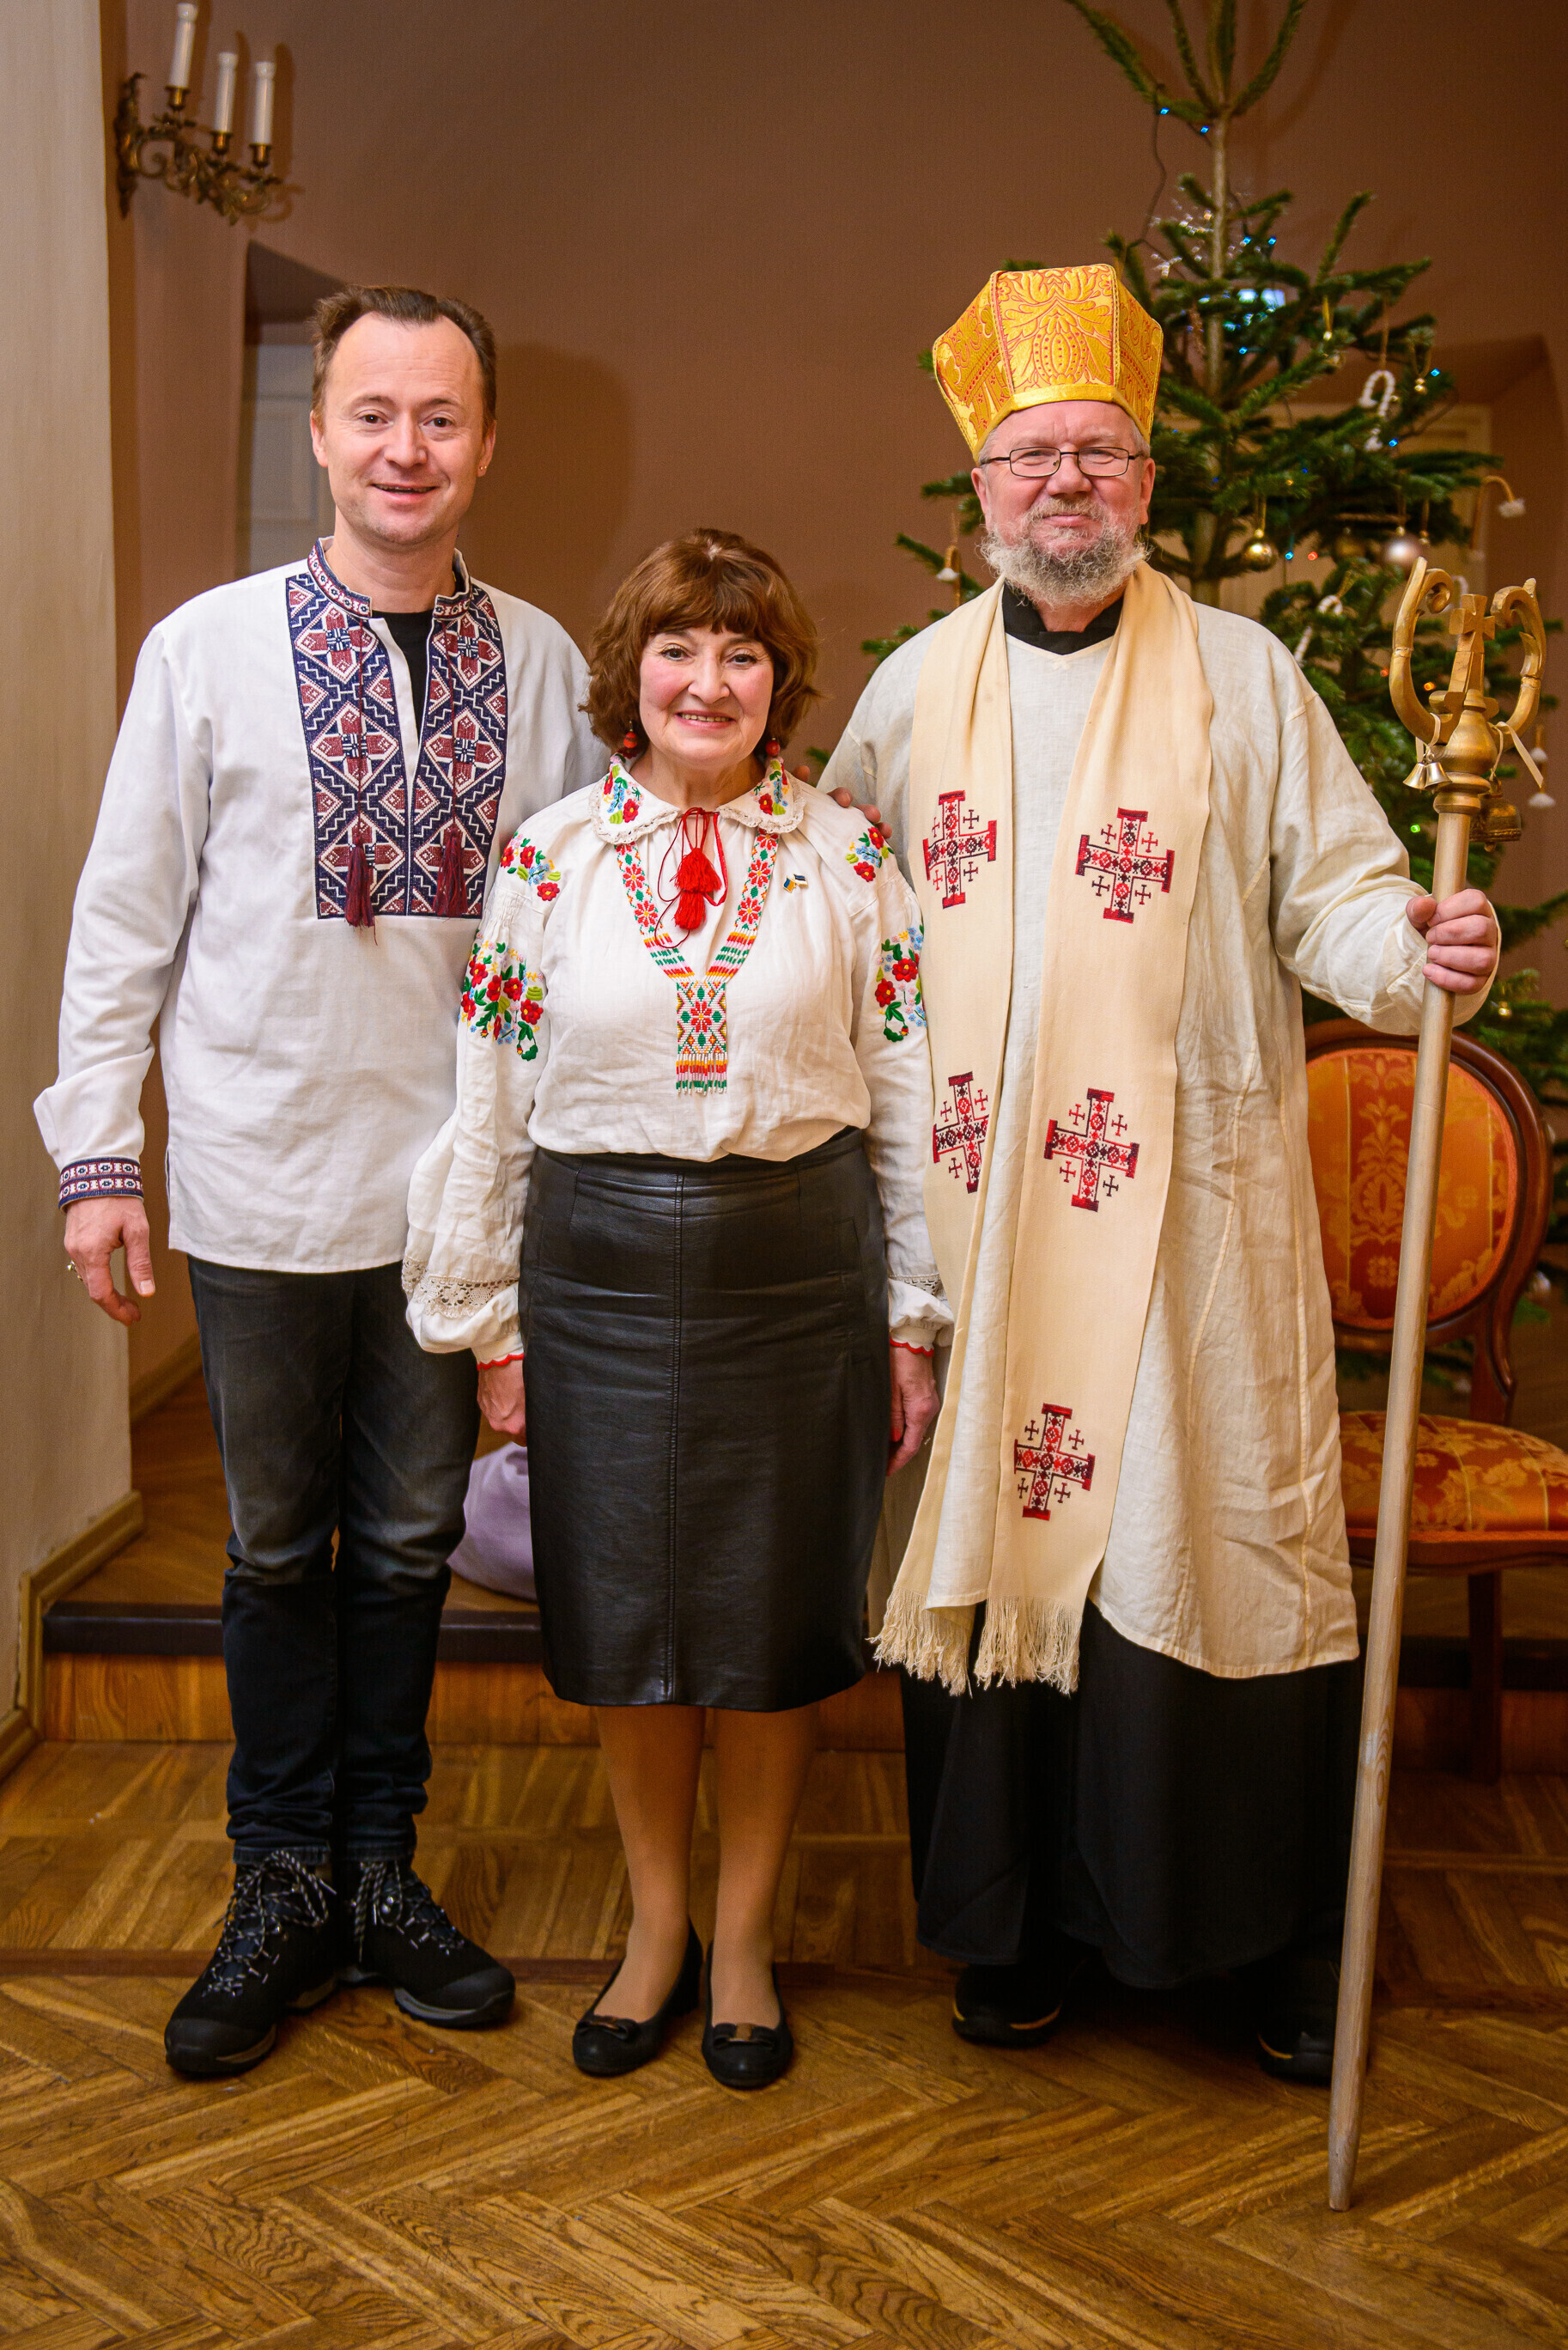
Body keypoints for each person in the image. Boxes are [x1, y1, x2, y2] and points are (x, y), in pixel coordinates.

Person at [819, 265, 1500, 2079]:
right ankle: (1013, 1933)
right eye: (1030, 454)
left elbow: (1336, 894)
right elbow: (841, 925)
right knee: (1002, 1539)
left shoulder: (1242, 677)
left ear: (1145, 478)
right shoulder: (910, 690)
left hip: (1187, 1209)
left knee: (1196, 1546)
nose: (1065, 483)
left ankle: (1247, 1947)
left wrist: (1409, 946)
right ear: (980, 485)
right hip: (982, 1224)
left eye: (1099, 452)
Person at [37, 283, 605, 2077]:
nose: (403, 448)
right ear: (319, 433)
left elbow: (577, 922)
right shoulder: (205, 650)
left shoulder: (545, 662)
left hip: (454, 1196)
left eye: (439, 417)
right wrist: (100, 1154)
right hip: (263, 1175)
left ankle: (380, 1874)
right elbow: (125, 912)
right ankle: (277, 1883)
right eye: (373, 412)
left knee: (415, 1545)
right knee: (277, 1547)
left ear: (485, 442)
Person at [405, 528, 948, 2088]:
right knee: (628, 1625)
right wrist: (495, 1324)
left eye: (741, 654)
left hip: (801, 1278)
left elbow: (905, 1092)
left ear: (779, 683)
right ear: (629, 675)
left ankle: (747, 1942)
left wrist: (908, 1317)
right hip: (596, 1283)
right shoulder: (546, 858)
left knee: (770, 1630)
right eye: (678, 650)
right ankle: (655, 1933)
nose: (707, 682)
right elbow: (493, 1095)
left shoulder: (850, 858)